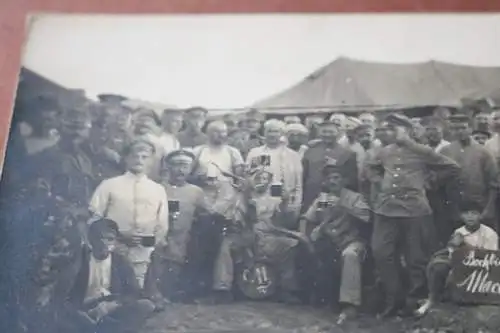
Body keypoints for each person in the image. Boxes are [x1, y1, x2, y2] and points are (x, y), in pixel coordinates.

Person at [366, 113, 460, 317]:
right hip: (386, 209)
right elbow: (371, 168)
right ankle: (393, 299)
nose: (390, 133)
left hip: (414, 210)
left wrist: (429, 183)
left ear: (407, 130)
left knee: (416, 257)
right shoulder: (384, 152)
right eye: (388, 129)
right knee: (381, 252)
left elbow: (452, 168)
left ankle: (413, 301)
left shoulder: (421, 151)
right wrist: (379, 182)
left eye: (395, 129)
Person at [211, 167, 300, 304]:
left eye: (265, 179)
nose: (261, 182)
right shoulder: (240, 197)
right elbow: (232, 219)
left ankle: (286, 289)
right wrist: (246, 200)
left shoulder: (274, 200)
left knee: (290, 246)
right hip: (244, 235)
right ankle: (222, 289)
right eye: (258, 178)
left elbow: (286, 221)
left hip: (267, 237)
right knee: (226, 246)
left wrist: (286, 202)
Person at [89, 139, 169, 288]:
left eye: (144, 157)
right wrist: (118, 236)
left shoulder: (158, 189)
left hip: (143, 251)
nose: (139, 160)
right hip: (113, 248)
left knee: (137, 287)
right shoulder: (109, 185)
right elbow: (95, 215)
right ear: (126, 158)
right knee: (111, 286)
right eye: (134, 156)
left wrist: (148, 244)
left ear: (151, 161)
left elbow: (162, 224)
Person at [300, 160, 370, 324]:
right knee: (307, 248)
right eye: (329, 178)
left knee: (350, 255)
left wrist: (343, 205)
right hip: (330, 241)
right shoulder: (322, 198)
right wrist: (306, 234)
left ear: (343, 180)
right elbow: (307, 218)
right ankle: (313, 296)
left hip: (352, 240)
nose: (333, 181)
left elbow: (366, 217)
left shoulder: (354, 197)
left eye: (336, 177)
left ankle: (350, 304)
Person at [61, 218, 155, 333]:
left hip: (111, 308)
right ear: (91, 239)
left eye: (110, 239)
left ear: (115, 241)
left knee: (146, 305)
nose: (104, 244)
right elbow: (65, 296)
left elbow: (133, 292)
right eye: (99, 238)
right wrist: (80, 313)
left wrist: (114, 304)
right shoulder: (80, 260)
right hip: (84, 310)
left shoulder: (120, 262)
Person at [147, 149, 209, 302]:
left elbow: (205, 214)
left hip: (182, 241)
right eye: (177, 165)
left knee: (175, 268)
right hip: (158, 238)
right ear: (168, 167)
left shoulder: (196, 192)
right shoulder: (157, 188)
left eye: (185, 166)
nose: (181, 170)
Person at [415, 207, 498, 317]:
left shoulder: (489, 233)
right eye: (466, 213)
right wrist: (454, 246)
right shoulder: (459, 232)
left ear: (480, 216)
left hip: (482, 270)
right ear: (461, 216)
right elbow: (453, 255)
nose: (470, 217)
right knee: (438, 266)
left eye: (474, 213)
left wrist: (465, 246)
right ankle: (432, 299)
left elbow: (491, 259)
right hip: (462, 266)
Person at [441, 114, 498, 231]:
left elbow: (494, 183)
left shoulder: (483, 152)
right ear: (451, 130)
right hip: (454, 207)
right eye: (455, 129)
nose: (460, 132)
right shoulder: (445, 152)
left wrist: (489, 208)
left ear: (470, 129)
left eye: (463, 128)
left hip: (479, 207)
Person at [246, 119, 303, 216]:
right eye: (269, 131)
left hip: (285, 202)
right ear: (264, 133)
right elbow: (249, 176)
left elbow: (298, 183)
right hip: (262, 201)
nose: (272, 135)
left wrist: (296, 203)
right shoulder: (256, 153)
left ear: (281, 134)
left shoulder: (292, 155)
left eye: (276, 131)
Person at [303, 119, 358, 211]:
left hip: (336, 196)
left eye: (331, 132)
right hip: (312, 194)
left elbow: (351, 179)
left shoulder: (347, 153)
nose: (327, 135)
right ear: (319, 133)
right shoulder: (310, 151)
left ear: (338, 133)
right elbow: (304, 175)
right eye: (324, 132)